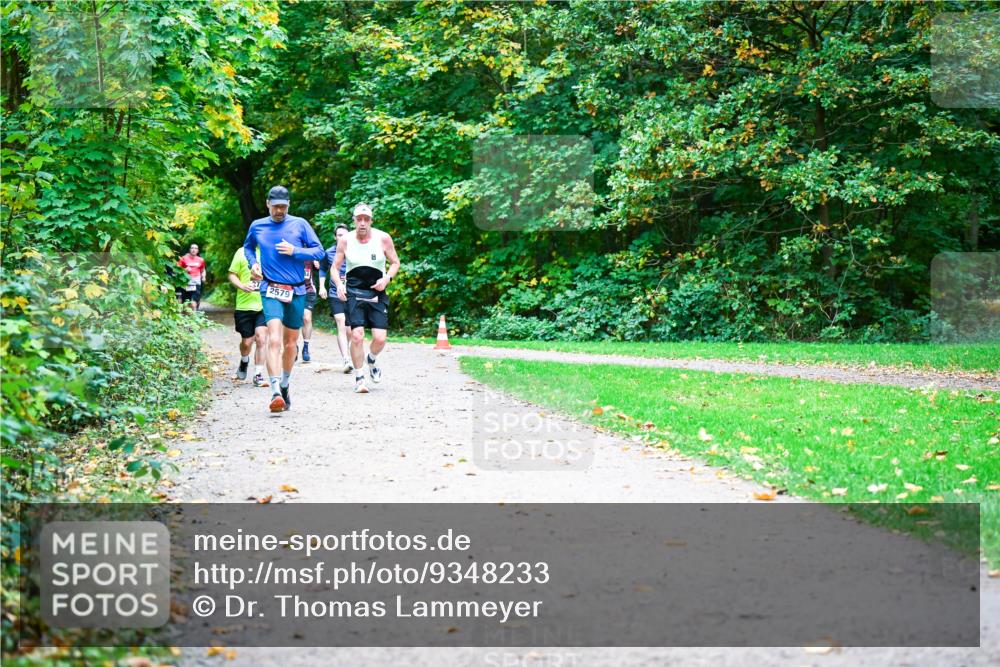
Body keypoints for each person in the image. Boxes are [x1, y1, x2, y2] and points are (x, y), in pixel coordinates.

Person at [243, 185, 325, 412]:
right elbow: (248, 248)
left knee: (290, 344)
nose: (280, 211)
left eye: (284, 207)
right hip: (270, 288)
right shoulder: (257, 226)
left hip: (297, 290)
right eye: (276, 206)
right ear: (268, 204)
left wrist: (295, 251)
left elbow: (319, 252)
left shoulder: (300, 224)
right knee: (274, 340)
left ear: (289, 205)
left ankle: (286, 383)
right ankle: (275, 391)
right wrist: (254, 264)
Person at [331, 203, 400, 393]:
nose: (362, 223)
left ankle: (371, 359)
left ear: (371, 220)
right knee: (357, 335)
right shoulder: (345, 240)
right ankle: (360, 377)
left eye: (366, 219)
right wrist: (339, 285)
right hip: (354, 292)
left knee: (380, 338)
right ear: (354, 220)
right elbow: (334, 268)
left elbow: (395, 262)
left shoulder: (383, 238)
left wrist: (387, 279)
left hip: (377, 293)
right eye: (359, 219)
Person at [228, 245, 269, 386]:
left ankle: (258, 375)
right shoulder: (241, 252)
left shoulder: (269, 251)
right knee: (246, 343)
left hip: (264, 305)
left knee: (261, 339)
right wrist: (242, 286)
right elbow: (232, 274)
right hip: (244, 306)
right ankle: (244, 361)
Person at [318, 224, 352, 373]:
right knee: (341, 322)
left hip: (352, 293)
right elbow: (322, 269)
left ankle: (351, 354)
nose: (342, 237)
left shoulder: (355, 250)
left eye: (344, 234)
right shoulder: (329, 252)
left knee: (350, 330)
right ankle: (346, 359)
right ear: (335, 237)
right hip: (335, 292)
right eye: (339, 235)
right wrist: (321, 286)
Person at [299, 259, 319, 363]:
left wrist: (317, 262)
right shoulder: (289, 251)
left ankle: (305, 347)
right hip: (293, 290)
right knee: (292, 320)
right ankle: (292, 345)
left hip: (309, 290)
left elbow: (320, 267)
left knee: (306, 318)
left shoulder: (309, 254)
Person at [177, 243, 206, 311]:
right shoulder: (183, 258)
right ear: (190, 249)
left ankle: (194, 316)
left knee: (193, 303)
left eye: (195, 248)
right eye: (192, 248)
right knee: (186, 304)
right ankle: (186, 319)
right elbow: (176, 269)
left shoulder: (201, 260)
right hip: (185, 282)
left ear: (198, 250)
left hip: (196, 282)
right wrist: (184, 270)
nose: (194, 250)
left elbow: (203, 270)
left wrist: (203, 276)